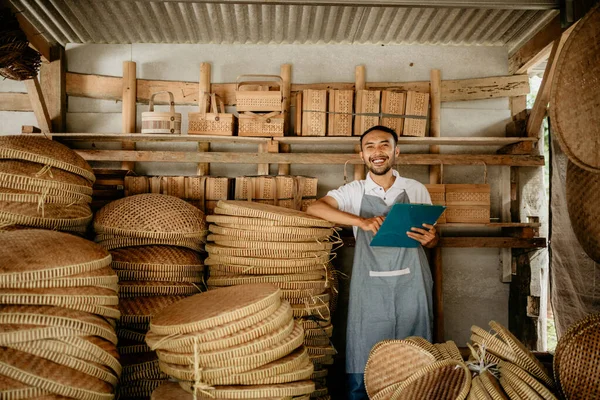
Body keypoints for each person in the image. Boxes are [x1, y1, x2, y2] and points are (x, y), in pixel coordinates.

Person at [306, 125, 439, 400]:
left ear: (395, 151)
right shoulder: (354, 191)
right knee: (366, 342)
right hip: (370, 282)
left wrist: (431, 240)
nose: (377, 152)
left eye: (384, 145)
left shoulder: (414, 189)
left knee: (412, 343)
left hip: (411, 281)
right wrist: (361, 221)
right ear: (362, 154)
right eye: (370, 147)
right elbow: (314, 208)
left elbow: (433, 239)